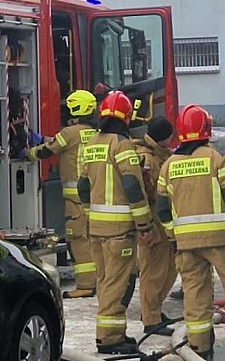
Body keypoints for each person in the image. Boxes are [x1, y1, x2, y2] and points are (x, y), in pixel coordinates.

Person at [156, 104, 225, 360]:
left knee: (194, 296)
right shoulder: (217, 159)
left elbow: (162, 207)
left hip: (186, 246)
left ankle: (199, 348)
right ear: (206, 129)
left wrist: (173, 235)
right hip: (222, 242)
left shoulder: (169, 165)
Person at [78, 91, 155, 355]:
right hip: (120, 229)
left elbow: (82, 187)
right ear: (126, 116)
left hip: (96, 228)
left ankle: (115, 332)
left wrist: (91, 214)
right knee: (119, 283)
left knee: (105, 281)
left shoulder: (91, 144)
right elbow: (132, 185)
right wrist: (144, 223)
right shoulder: (122, 145)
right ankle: (110, 338)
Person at [27, 90, 98, 299]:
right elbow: (63, 142)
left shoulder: (69, 132)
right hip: (94, 195)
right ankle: (98, 280)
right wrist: (45, 139)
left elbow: (47, 151)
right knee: (93, 238)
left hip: (75, 198)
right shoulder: (95, 132)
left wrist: (28, 152)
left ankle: (86, 284)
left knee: (78, 239)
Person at [133, 117, 178, 336]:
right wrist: (146, 227)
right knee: (153, 273)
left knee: (169, 270)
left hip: (164, 222)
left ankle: (155, 311)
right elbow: (146, 194)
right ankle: (150, 319)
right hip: (152, 223)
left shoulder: (163, 155)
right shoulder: (145, 157)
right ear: (165, 136)